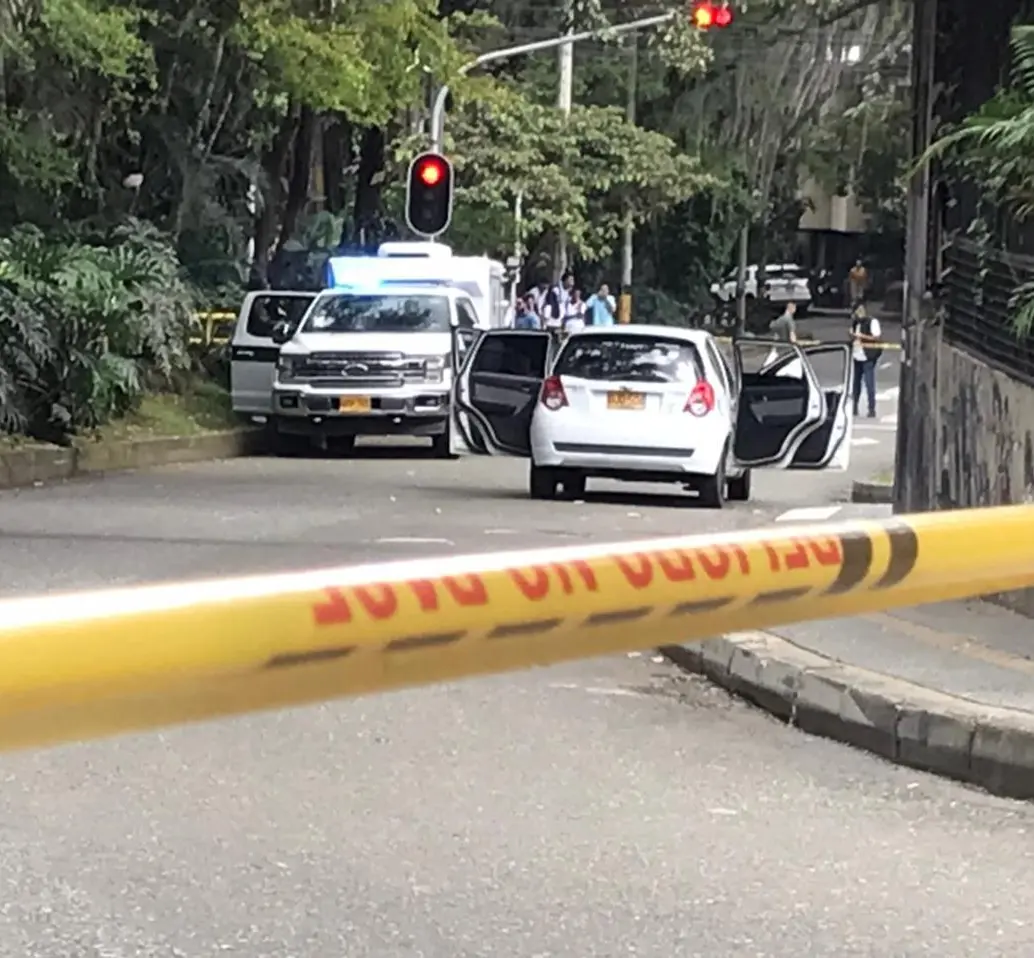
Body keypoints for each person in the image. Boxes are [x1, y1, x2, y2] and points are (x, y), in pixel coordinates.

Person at [850, 305, 882, 418]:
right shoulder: (855, 322)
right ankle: (854, 407)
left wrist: (862, 336)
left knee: (869, 383)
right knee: (855, 383)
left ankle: (871, 408)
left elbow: (876, 337)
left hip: (868, 356)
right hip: (856, 355)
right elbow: (853, 336)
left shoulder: (872, 322)